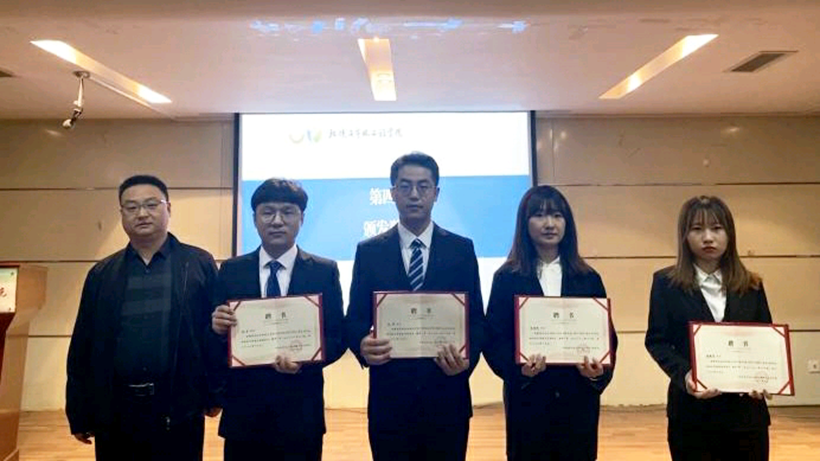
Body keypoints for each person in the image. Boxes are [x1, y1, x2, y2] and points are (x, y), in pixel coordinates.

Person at [66, 174, 221, 461]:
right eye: (132, 207)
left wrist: (215, 392)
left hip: (180, 405)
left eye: (151, 204)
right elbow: (83, 345)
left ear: (168, 208)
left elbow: (212, 333)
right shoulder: (102, 273)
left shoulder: (198, 264)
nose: (142, 213)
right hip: (116, 408)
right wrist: (79, 410)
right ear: (122, 214)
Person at [344, 152, 485, 461]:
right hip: (390, 399)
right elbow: (354, 318)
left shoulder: (461, 249)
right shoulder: (369, 251)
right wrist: (362, 345)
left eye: (423, 186)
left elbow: (476, 320)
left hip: (447, 395)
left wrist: (466, 359)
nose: (414, 195)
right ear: (392, 192)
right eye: (405, 186)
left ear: (436, 193)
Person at [210, 178, 346, 461]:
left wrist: (306, 360)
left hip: (300, 412)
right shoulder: (231, 271)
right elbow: (214, 339)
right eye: (268, 212)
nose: (277, 221)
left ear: (301, 218)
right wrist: (217, 328)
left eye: (287, 212)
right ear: (254, 219)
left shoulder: (323, 271)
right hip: (244, 413)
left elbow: (337, 336)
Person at [484, 185, 617, 461]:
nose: (549, 224)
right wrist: (520, 371)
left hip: (577, 400)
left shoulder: (588, 278)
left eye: (557, 215)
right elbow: (494, 339)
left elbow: (608, 338)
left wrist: (596, 371)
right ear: (524, 223)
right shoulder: (507, 278)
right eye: (539, 215)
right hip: (528, 401)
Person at [645, 195, 773, 460]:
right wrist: (685, 376)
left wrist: (764, 378)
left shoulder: (752, 285)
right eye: (697, 229)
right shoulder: (666, 284)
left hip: (746, 416)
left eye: (716, 228)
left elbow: (766, 339)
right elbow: (657, 341)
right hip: (692, 416)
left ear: (729, 234)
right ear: (684, 236)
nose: (708, 238)